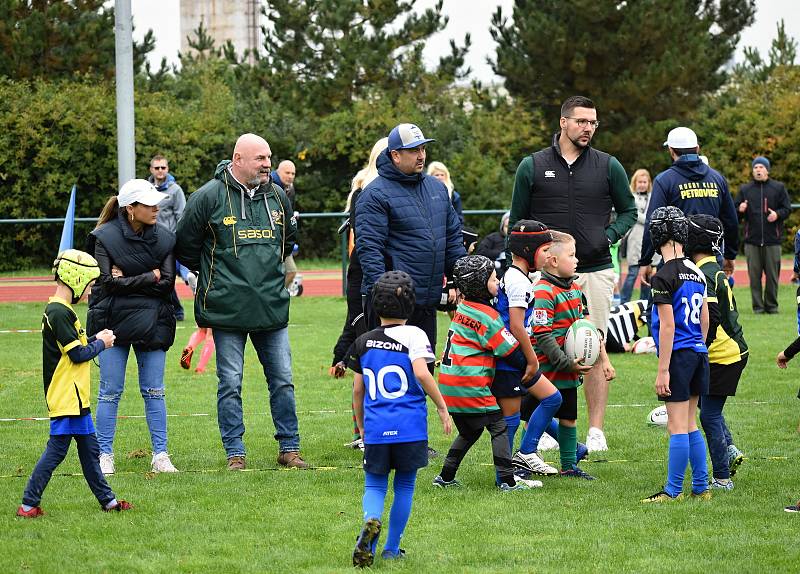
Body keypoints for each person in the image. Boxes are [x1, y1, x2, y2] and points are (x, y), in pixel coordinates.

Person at [510, 95, 635, 452]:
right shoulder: (531, 165)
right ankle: (544, 429)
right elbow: (517, 222)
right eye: (581, 121)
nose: (588, 128)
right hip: (541, 277)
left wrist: (606, 237)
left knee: (591, 344)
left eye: (593, 123)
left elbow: (628, 211)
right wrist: (523, 266)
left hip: (593, 269)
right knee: (542, 347)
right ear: (563, 122)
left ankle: (596, 430)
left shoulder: (609, 165)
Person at [174, 133, 306, 471]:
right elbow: (186, 247)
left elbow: (288, 240)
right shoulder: (207, 197)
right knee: (230, 383)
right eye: (260, 158)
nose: (267, 164)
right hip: (226, 311)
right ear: (238, 160)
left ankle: (289, 449)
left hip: (271, 308)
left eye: (269, 157)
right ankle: (235, 453)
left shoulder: (277, 195)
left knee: (283, 380)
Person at [17, 250, 132, 518]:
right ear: (76, 279)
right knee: (56, 452)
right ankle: (27, 504)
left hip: (77, 397)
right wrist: (101, 344)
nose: (90, 291)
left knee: (91, 452)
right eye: (90, 285)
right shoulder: (58, 311)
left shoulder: (63, 310)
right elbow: (77, 354)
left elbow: (78, 345)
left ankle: (109, 502)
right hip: (66, 396)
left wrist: (95, 337)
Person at [348, 271, 451, 567]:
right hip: (410, 427)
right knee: (404, 486)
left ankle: (371, 522)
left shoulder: (364, 342)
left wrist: (363, 427)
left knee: (375, 486)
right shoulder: (415, 335)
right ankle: (392, 548)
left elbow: (358, 390)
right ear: (410, 304)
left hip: (377, 428)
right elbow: (421, 372)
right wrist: (442, 406)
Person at [86, 179, 178, 475]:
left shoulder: (165, 237)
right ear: (130, 209)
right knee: (109, 392)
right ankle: (104, 455)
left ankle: (161, 455)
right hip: (111, 322)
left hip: (154, 322)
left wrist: (130, 278)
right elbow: (107, 283)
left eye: (155, 203)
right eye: (149, 204)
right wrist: (147, 275)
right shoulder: (103, 237)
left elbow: (166, 282)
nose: (156, 208)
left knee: (155, 391)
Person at [356, 123, 465, 358]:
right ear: (395, 155)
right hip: (392, 305)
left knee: (423, 370)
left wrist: (461, 279)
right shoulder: (374, 194)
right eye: (414, 150)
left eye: (423, 149)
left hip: (427, 300)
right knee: (392, 377)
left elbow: (453, 238)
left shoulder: (437, 188)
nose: (422, 156)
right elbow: (369, 249)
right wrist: (384, 296)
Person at [434, 255, 542, 491]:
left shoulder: (464, 308)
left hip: (450, 384)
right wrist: (533, 363)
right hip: (470, 384)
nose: (499, 282)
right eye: (494, 279)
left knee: (470, 431)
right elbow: (510, 351)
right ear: (481, 285)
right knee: (499, 426)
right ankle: (507, 480)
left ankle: (445, 476)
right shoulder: (488, 317)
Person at [641, 206, 711, 503]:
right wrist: (699, 345)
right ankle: (701, 487)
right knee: (692, 421)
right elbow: (706, 318)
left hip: (679, 354)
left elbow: (667, 325)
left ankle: (672, 491)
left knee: (676, 425)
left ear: (656, 237)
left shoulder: (663, 275)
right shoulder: (697, 272)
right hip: (698, 351)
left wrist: (663, 369)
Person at [532, 232, 606, 479]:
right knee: (533, 414)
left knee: (569, 418)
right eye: (571, 255)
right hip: (547, 368)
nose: (577, 260)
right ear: (553, 261)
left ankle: (568, 466)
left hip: (570, 368)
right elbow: (542, 334)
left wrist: (601, 358)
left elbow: (585, 328)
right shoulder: (543, 291)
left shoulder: (575, 288)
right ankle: (526, 456)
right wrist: (564, 362)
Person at [491, 220, 562, 477]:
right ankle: (511, 467)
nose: (549, 255)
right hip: (512, 355)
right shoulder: (519, 282)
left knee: (547, 400)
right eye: (545, 250)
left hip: (513, 352)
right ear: (529, 250)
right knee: (514, 414)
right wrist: (531, 359)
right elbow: (517, 326)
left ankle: (527, 454)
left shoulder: (517, 276)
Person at [331, 137, 389, 451]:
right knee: (367, 358)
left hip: (389, 282)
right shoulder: (365, 190)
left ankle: (384, 429)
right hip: (365, 281)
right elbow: (364, 245)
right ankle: (363, 432)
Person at [686, 214, 748, 490]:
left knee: (708, 415)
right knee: (707, 407)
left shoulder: (702, 273)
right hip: (731, 350)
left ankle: (722, 477)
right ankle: (730, 449)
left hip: (723, 355)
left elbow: (710, 317)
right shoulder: (712, 268)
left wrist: (697, 352)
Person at [638, 126, 738, 282]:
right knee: (712, 303)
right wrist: (730, 254)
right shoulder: (717, 178)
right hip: (711, 257)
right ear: (697, 148)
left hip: (677, 258)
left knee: (675, 304)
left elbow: (653, 222)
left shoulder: (664, 180)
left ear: (671, 151)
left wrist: (645, 260)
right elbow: (731, 221)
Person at [735, 156, 791, 314]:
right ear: (752, 171)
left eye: (761, 167)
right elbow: (735, 213)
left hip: (772, 240)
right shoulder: (745, 190)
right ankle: (758, 307)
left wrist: (778, 215)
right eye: (755, 167)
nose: (758, 170)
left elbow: (787, 209)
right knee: (754, 277)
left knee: (773, 277)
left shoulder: (778, 188)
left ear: (767, 170)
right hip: (752, 241)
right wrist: (740, 209)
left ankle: (772, 306)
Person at [148, 154, 188, 321]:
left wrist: (179, 239)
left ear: (167, 169)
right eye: (157, 168)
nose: (160, 171)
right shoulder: (146, 189)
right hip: (151, 242)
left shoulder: (175, 190)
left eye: (163, 167)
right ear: (151, 169)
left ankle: (180, 309)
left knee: (171, 275)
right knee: (164, 278)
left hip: (170, 242)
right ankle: (176, 310)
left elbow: (182, 216)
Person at [620, 169, 653, 304]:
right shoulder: (630, 196)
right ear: (635, 182)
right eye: (640, 182)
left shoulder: (653, 196)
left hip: (648, 239)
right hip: (635, 240)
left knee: (647, 274)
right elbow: (634, 214)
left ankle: (644, 303)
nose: (642, 184)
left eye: (645, 182)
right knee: (633, 273)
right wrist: (649, 220)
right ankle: (624, 302)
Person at [271, 159, 300, 290]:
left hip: (282, 240)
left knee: (291, 271)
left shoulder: (289, 188)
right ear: (278, 171)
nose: (290, 176)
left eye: (293, 173)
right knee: (288, 271)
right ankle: (274, 296)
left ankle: (276, 295)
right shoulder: (268, 184)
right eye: (287, 172)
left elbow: (288, 212)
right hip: (269, 239)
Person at [427, 161, 463, 225]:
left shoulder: (454, 196)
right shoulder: (425, 193)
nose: (440, 177)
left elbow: (459, 218)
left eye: (442, 175)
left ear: (446, 176)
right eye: (437, 175)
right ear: (430, 176)